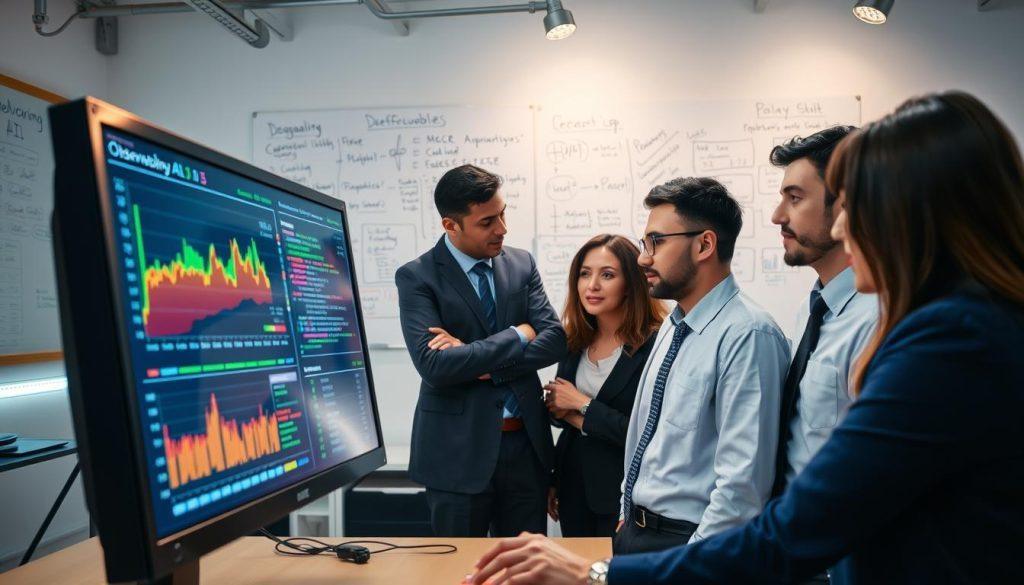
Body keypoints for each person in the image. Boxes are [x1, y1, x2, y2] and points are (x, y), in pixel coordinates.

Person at [469, 90, 1024, 584]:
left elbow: (784, 526)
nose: (840, 227)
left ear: (911, 212)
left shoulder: (951, 339)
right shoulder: (965, 322)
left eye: (855, 206)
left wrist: (595, 573)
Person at [615, 177, 789, 554]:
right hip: (639, 534)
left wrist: (696, 561)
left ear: (705, 244)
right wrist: (627, 513)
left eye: (656, 242)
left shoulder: (749, 334)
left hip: (688, 545)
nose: (643, 257)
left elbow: (742, 485)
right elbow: (646, 436)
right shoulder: (672, 326)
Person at [395, 164, 567, 537]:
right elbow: (435, 365)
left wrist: (476, 358)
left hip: (526, 447)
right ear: (450, 226)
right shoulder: (417, 277)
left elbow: (554, 338)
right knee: (459, 571)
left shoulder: (521, 264)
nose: (502, 228)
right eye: (487, 222)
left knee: (525, 572)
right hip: (457, 454)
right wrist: (518, 334)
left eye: (503, 214)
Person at [768, 126, 878, 502]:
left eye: (795, 198)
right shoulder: (810, 311)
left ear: (845, 204)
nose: (777, 216)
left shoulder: (879, 321)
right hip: (792, 543)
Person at [543, 234, 666, 537]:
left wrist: (580, 404)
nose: (592, 285)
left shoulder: (656, 345)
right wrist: (554, 478)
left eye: (607, 275)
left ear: (631, 284)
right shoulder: (575, 341)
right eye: (585, 273)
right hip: (573, 489)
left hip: (627, 497)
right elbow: (559, 408)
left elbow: (644, 434)